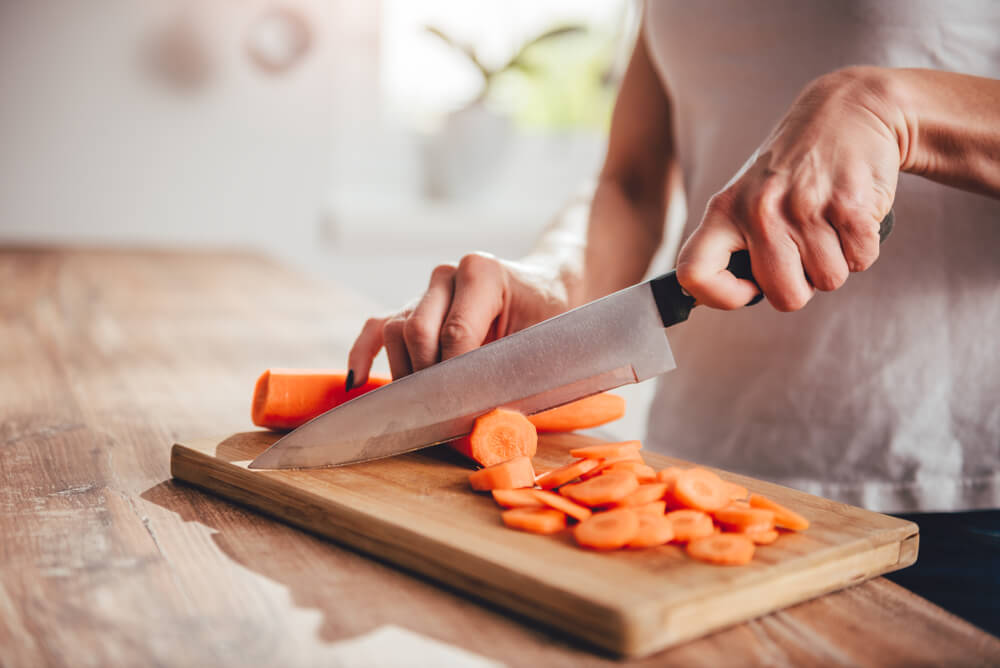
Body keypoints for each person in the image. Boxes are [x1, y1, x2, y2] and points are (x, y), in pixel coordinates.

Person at [348, 2, 1000, 634]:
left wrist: (892, 108)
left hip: (955, 503)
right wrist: (559, 281)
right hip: (696, 486)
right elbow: (632, 181)